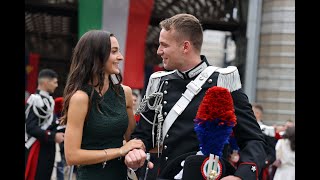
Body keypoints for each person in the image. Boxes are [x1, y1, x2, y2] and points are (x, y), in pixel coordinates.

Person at [124, 13, 267, 180]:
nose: (158, 51)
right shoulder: (158, 82)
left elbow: (253, 139)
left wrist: (241, 176)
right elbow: (143, 134)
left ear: (185, 46)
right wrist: (136, 150)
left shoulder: (223, 80)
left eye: (164, 45)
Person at [60, 30, 145, 180]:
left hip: (121, 175)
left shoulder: (125, 92)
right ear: (95, 56)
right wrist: (119, 151)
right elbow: (71, 155)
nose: (121, 57)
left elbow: (133, 140)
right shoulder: (80, 98)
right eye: (114, 51)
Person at [25, 68, 65, 180]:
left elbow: (51, 124)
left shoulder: (49, 100)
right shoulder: (35, 100)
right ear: (46, 82)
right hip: (38, 150)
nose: (56, 85)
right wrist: (53, 136)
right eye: (55, 82)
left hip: (47, 148)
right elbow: (31, 128)